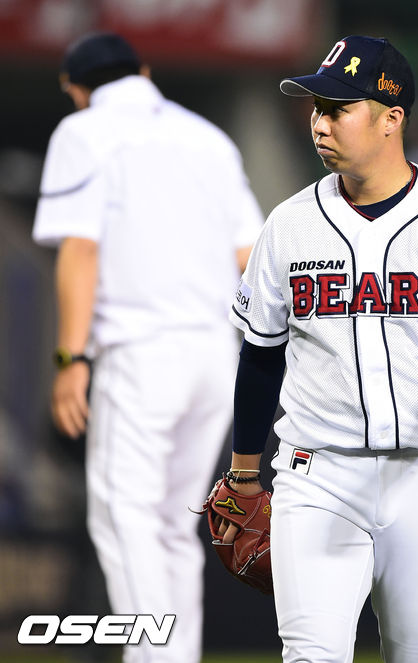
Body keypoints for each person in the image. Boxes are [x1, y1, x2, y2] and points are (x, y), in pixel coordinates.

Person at [223, 35, 418, 663]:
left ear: (391, 118)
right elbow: (260, 355)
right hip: (317, 473)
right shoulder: (289, 224)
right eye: (317, 108)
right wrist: (245, 472)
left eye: (338, 108)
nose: (319, 121)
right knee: (311, 654)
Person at [32, 32, 264, 663]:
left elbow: (80, 248)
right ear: (143, 70)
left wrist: (70, 358)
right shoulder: (208, 138)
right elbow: (251, 256)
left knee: (124, 517)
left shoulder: (84, 131)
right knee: (169, 527)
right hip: (216, 356)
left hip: (141, 354)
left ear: (76, 89)